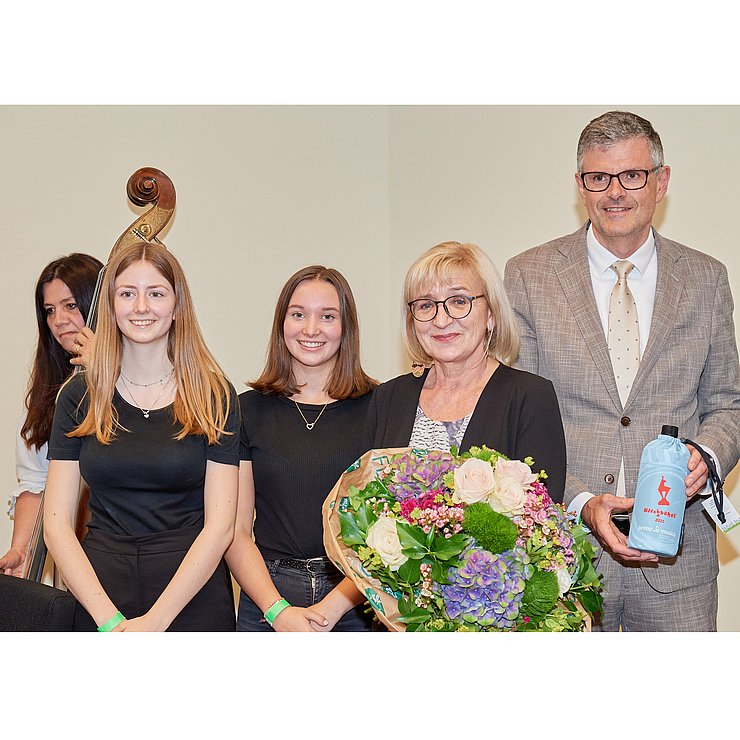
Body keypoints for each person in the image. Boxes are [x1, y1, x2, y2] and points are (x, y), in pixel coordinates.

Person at [503, 110, 740, 631]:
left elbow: (729, 403)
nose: (615, 191)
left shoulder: (705, 278)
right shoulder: (528, 275)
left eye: (632, 175)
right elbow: (518, 418)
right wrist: (582, 501)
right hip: (564, 561)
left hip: (680, 567)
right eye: (598, 178)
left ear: (661, 181)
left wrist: (706, 455)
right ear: (580, 186)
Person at [44, 241, 239, 631]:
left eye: (156, 293)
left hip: (191, 596)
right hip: (100, 593)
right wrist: (109, 621)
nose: (141, 307)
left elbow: (221, 527)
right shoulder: (78, 394)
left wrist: (155, 621)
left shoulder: (214, 393)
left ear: (177, 303)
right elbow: (56, 524)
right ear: (111, 306)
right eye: (127, 293)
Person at [225, 265, 378, 631]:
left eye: (327, 316)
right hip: (266, 595)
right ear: (282, 324)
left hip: (354, 597)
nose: (311, 329)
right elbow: (235, 531)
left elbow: (386, 526)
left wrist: (334, 606)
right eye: (298, 315)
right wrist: (277, 611)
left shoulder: (380, 406)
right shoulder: (246, 409)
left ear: (346, 328)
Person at [364, 241, 567, 500]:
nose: (441, 319)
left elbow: (541, 517)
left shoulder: (529, 397)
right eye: (426, 305)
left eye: (459, 301)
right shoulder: (389, 398)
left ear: (491, 314)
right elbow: (366, 502)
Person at [1, 253, 102, 577]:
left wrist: (103, 370)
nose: (58, 320)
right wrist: (21, 550)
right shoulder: (49, 397)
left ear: (99, 304)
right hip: (70, 569)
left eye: (70, 305)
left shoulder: (138, 383)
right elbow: (35, 481)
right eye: (49, 310)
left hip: (127, 555)